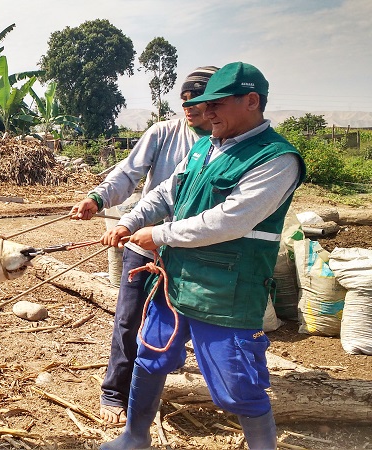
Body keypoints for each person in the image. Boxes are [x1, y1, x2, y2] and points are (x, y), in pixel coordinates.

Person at [99, 62, 306, 450]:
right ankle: (134, 436)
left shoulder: (276, 159)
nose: (206, 113)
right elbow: (165, 194)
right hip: (175, 281)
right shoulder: (204, 148)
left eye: (217, 105)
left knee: (236, 387)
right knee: (151, 357)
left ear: (251, 101)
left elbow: (228, 221)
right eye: (204, 105)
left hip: (225, 292)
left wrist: (158, 234)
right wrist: (131, 221)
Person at [70, 66, 219, 424]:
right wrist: (99, 198)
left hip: (196, 248)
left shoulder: (224, 144)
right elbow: (129, 173)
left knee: (190, 322)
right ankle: (115, 391)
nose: (189, 107)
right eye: (184, 100)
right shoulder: (164, 133)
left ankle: (211, 387)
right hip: (145, 241)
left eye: (197, 100)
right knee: (129, 317)